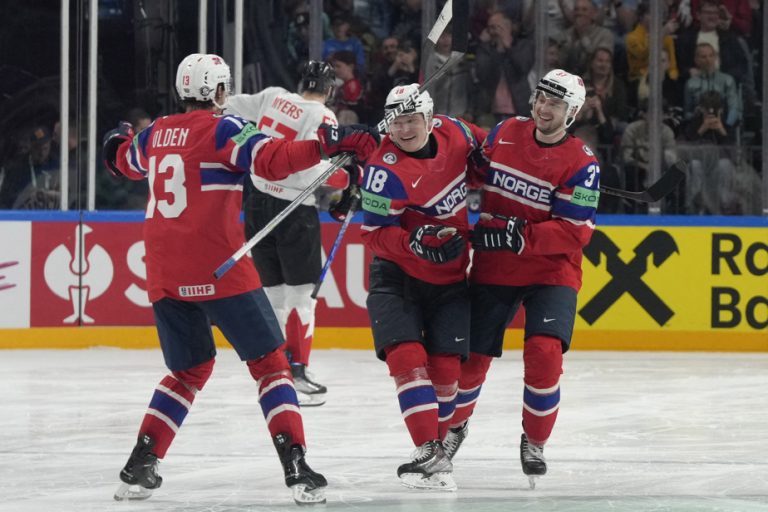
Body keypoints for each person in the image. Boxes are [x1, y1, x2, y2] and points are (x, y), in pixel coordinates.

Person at [101, 53, 378, 505]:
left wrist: (118, 139)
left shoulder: (155, 134)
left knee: (188, 371)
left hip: (165, 273)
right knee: (271, 365)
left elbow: (122, 162)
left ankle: (140, 464)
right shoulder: (224, 129)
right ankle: (296, 466)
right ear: (218, 92)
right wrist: (329, 143)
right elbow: (272, 161)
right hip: (219, 269)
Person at [443, 69, 600, 489]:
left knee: (545, 354)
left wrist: (521, 234)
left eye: (556, 103)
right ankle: (455, 428)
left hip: (552, 272)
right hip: (496, 266)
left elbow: (576, 231)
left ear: (572, 112)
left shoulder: (583, 164)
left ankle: (535, 441)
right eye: (541, 99)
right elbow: (472, 172)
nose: (544, 108)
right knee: (472, 360)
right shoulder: (506, 132)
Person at [357, 83, 487, 491]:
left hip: (449, 278)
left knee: (447, 371)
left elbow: (494, 152)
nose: (404, 128)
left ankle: (442, 444)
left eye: (412, 119)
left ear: (431, 120)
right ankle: (429, 450)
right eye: (396, 120)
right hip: (397, 276)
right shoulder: (383, 170)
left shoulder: (458, 132)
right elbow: (375, 234)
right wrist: (412, 242)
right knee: (406, 356)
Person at [225, 61, 342, 407]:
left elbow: (228, 106)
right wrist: (348, 179)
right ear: (330, 89)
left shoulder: (273, 96)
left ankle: (274, 376)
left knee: (274, 296)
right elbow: (315, 173)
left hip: (257, 203)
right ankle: (298, 372)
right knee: (302, 298)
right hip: (295, 210)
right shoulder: (323, 117)